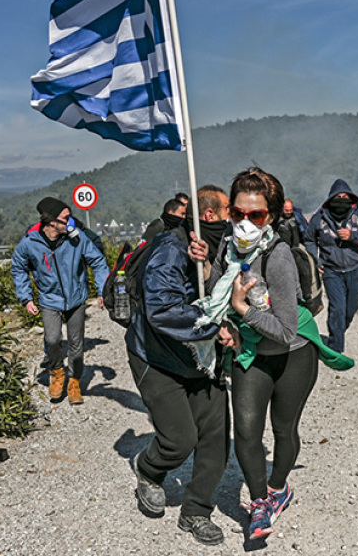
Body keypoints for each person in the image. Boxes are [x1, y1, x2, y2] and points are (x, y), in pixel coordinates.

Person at [201, 167, 352, 540]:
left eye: (255, 215)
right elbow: (217, 289)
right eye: (237, 213)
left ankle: (279, 487)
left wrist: (242, 312)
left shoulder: (279, 256)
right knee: (248, 433)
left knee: (284, 429)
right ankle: (259, 503)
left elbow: (285, 331)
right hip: (250, 351)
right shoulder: (224, 244)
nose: (245, 222)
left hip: (293, 352)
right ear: (228, 212)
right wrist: (206, 268)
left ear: (269, 216)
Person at [124, 186, 236, 545]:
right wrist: (212, 326)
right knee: (179, 440)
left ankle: (196, 511)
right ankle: (148, 468)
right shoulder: (169, 250)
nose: (237, 219)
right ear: (210, 216)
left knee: (216, 440)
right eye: (230, 211)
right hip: (156, 357)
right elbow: (162, 309)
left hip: (201, 360)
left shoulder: (220, 247)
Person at [11, 197, 110, 405]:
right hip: (49, 299)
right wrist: (26, 297)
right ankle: (57, 373)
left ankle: (74, 381)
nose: (71, 221)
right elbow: (18, 267)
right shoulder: (29, 244)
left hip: (76, 298)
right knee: (53, 340)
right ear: (51, 221)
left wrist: (102, 290)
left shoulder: (77, 238)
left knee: (76, 345)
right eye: (66, 218)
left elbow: (98, 261)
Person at [304, 179, 358, 353]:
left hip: (355, 270)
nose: (342, 199)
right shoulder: (320, 217)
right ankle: (336, 348)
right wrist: (316, 260)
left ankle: (336, 335)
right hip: (332, 271)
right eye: (339, 196)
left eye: (346, 196)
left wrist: (352, 235)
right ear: (331, 198)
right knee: (337, 308)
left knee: (350, 310)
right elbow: (309, 239)